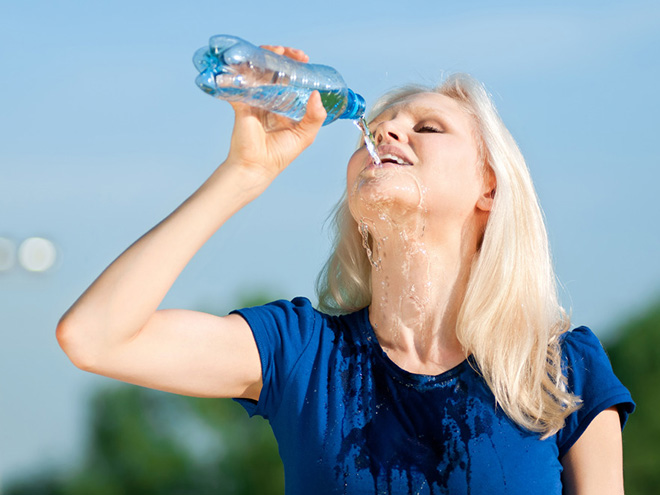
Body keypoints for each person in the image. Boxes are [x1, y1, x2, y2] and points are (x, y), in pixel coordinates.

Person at [57, 45, 634, 494]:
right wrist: (245, 174)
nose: (384, 132)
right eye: (378, 128)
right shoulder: (302, 352)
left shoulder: (561, 369)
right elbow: (95, 337)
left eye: (426, 128)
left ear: (490, 187)